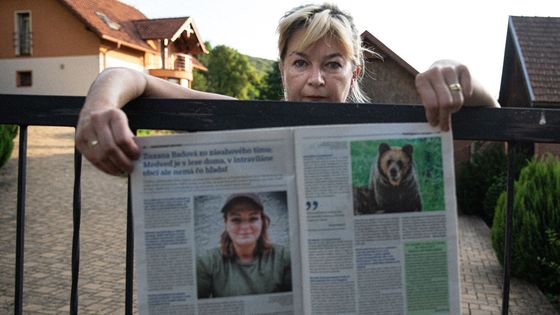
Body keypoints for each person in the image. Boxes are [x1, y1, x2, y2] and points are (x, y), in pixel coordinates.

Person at [75, 3, 499, 176]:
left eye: (332, 65)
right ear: (283, 69)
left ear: (355, 72)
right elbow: (139, 80)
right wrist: (101, 101)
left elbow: (492, 118)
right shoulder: (247, 121)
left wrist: (456, 73)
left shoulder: (388, 130)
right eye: (301, 63)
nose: (315, 79)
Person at [196, 193, 291, 298]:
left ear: (262, 222)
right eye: (236, 219)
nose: (245, 227)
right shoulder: (207, 262)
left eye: (253, 218)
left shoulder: (284, 257)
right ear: (225, 223)